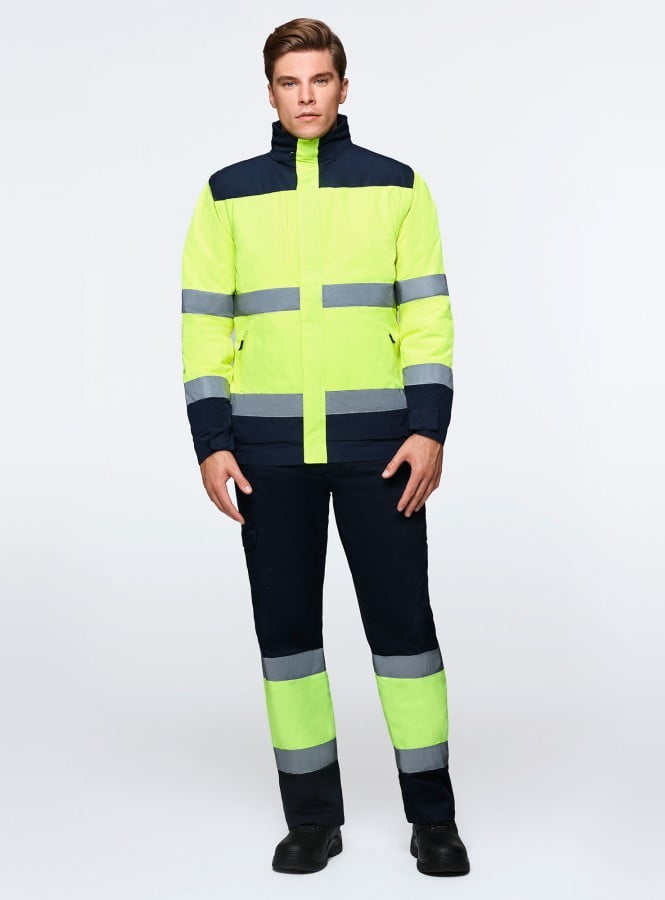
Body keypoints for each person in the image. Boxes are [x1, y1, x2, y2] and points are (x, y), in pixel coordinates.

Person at [180, 17, 469, 877]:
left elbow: (427, 316)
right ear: (270, 92)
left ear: (344, 86)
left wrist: (429, 428)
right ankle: (312, 821)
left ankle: (433, 820)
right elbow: (204, 328)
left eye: (319, 79)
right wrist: (211, 442)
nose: (305, 96)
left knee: (405, 634)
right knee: (288, 640)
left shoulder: (399, 187)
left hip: (382, 448)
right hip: (267, 455)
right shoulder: (226, 194)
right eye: (289, 81)